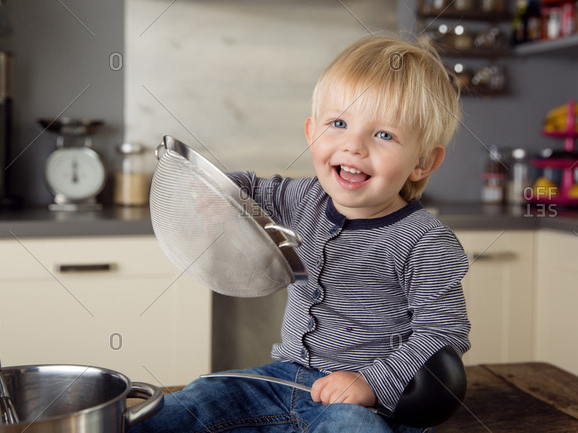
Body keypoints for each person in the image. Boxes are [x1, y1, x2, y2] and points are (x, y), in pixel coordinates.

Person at [134, 35, 471, 433]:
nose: (353, 145)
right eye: (339, 123)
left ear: (423, 161)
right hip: (282, 380)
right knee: (192, 402)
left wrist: (371, 384)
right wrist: (214, 193)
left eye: (384, 135)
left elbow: (444, 332)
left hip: (368, 404)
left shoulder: (424, 241)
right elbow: (249, 189)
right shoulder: (301, 197)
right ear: (312, 131)